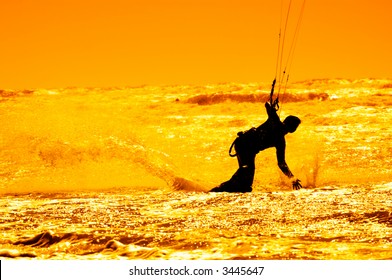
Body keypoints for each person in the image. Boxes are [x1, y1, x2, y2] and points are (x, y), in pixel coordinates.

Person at [210, 99, 302, 192]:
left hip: (249, 149)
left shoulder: (280, 141)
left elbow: (281, 163)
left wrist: (292, 178)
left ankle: (221, 190)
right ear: (292, 128)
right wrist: (272, 107)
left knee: (245, 181)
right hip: (243, 143)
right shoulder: (275, 121)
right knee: (246, 175)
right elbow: (267, 104)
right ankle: (218, 190)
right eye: (294, 126)